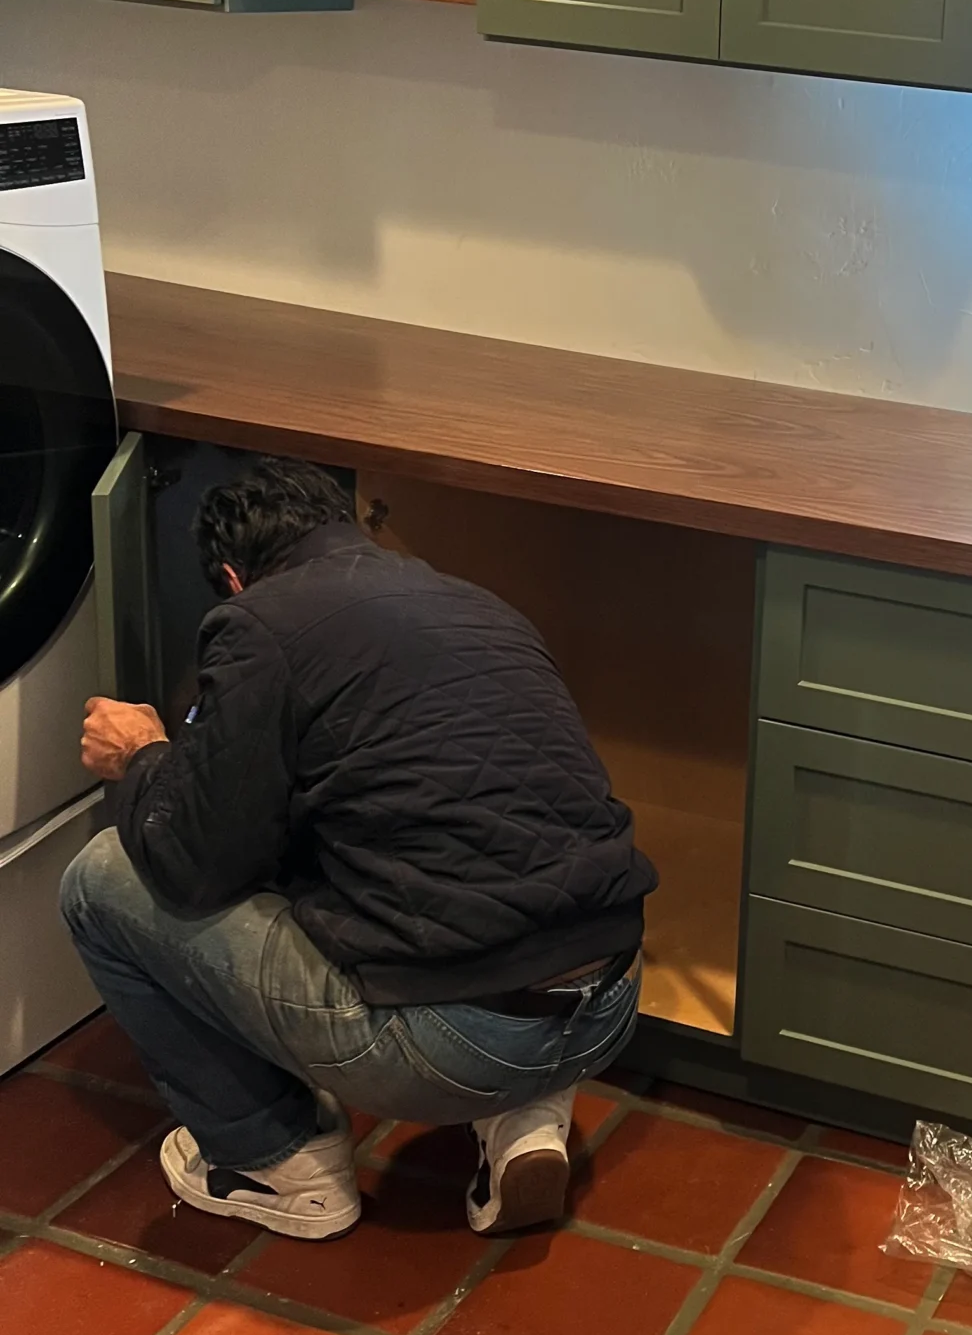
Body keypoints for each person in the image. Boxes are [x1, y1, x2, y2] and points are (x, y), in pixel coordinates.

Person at [60, 459, 655, 1243]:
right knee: (471, 884)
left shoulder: (261, 622)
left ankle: (277, 1160)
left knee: (100, 881)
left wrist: (144, 757)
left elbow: (195, 864)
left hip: (457, 1043)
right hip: (610, 1002)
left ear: (237, 578)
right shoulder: (475, 602)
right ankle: (523, 1116)